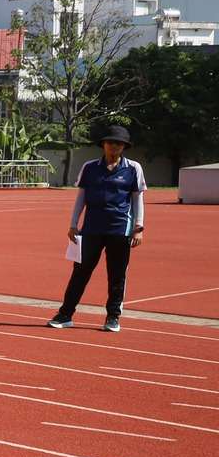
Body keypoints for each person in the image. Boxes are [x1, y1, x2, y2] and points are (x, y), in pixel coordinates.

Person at [50, 124, 147, 333]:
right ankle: (65, 314)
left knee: (117, 274)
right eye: (111, 142)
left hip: (120, 230)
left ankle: (113, 317)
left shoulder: (133, 168)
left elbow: (138, 199)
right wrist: (73, 224)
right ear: (103, 144)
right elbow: (81, 198)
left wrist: (139, 227)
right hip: (91, 229)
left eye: (119, 144)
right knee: (80, 272)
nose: (114, 147)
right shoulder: (90, 167)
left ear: (124, 147)